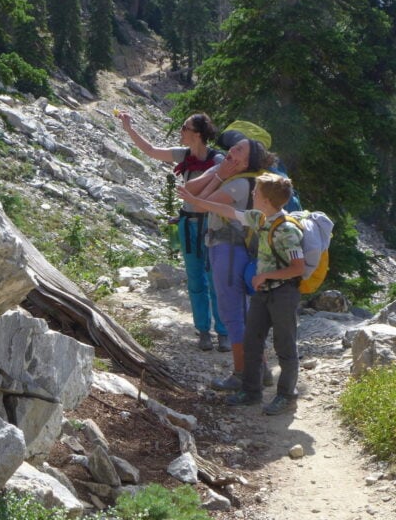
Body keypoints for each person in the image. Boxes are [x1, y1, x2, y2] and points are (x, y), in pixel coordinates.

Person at [180, 172, 304, 415]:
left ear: (266, 200)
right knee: (251, 341)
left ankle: (286, 395)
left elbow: (298, 268)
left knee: (285, 346)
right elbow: (229, 212)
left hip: (283, 294)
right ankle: (251, 391)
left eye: (256, 192)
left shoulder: (287, 230)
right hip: (263, 292)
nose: (252, 194)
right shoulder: (260, 218)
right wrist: (195, 200)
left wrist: (266, 275)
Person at [119, 111, 229, 352]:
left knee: (213, 279)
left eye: (184, 127)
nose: (181, 131)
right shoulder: (185, 155)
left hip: (212, 225)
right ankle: (203, 331)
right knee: (195, 278)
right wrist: (129, 129)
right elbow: (150, 150)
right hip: (188, 222)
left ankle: (223, 331)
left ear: (197, 134)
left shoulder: (218, 161)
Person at [177, 137, 276, 391]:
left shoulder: (238, 185)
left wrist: (219, 175)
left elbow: (196, 204)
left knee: (233, 314)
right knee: (243, 312)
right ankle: (261, 370)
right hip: (236, 251)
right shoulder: (247, 182)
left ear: (247, 162)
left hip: (228, 252)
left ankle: (243, 374)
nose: (232, 150)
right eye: (234, 147)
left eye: (239, 150)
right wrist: (219, 174)